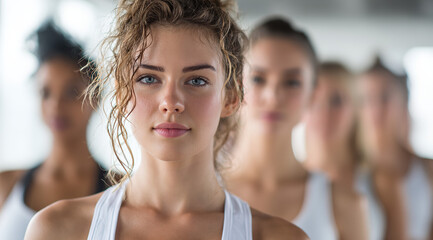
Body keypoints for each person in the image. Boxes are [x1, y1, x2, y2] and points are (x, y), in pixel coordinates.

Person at [25, 1, 308, 239]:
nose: (171, 102)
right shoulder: (57, 230)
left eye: (196, 80)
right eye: (149, 78)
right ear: (123, 93)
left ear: (231, 97)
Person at [223, 18, 367, 240]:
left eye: (291, 82)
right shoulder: (201, 194)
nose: (273, 97)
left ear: (313, 95)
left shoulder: (344, 204)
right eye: (258, 79)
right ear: (236, 86)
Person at [0, 21, 109, 240]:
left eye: (71, 92)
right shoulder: (6, 185)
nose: (56, 106)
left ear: (95, 97)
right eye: (46, 93)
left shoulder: (119, 191)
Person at [304, 61, 383, 240]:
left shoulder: (380, 180)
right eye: (313, 100)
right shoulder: (287, 182)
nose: (323, 112)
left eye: (336, 101)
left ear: (356, 108)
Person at [358, 57, 433, 240]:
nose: (375, 109)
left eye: (385, 98)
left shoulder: (427, 169)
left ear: (404, 101)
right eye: (366, 98)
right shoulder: (351, 171)